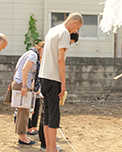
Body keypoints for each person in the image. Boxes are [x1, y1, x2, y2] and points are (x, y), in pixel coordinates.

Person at [39, 13, 83, 152]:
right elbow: (60, 59)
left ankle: (48, 148)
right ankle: (52, 149)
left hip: (43, 77)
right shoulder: (64, 33)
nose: (75, 32)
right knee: (53, 116)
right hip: (53, 78)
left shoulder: (52, 30)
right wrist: (63, 82)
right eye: (77, 28)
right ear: (74, 22)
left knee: (46, 114)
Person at [12, 41, 44, 145]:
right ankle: (22, 138)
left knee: (21, 111)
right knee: (24, 112)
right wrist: (25, 86)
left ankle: (21, 135)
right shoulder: (33, 55)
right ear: (41, 48)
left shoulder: (29, 53)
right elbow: (25, 69)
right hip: (22, 84)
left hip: (19, 83)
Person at [26, 42, 45, 135]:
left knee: (37, 106)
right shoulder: (33, 56)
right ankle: (28, 127)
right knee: (30, 108)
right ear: (40, 48)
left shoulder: (41, 59)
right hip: (31, 85)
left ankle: (34, 125)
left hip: (37, 87)